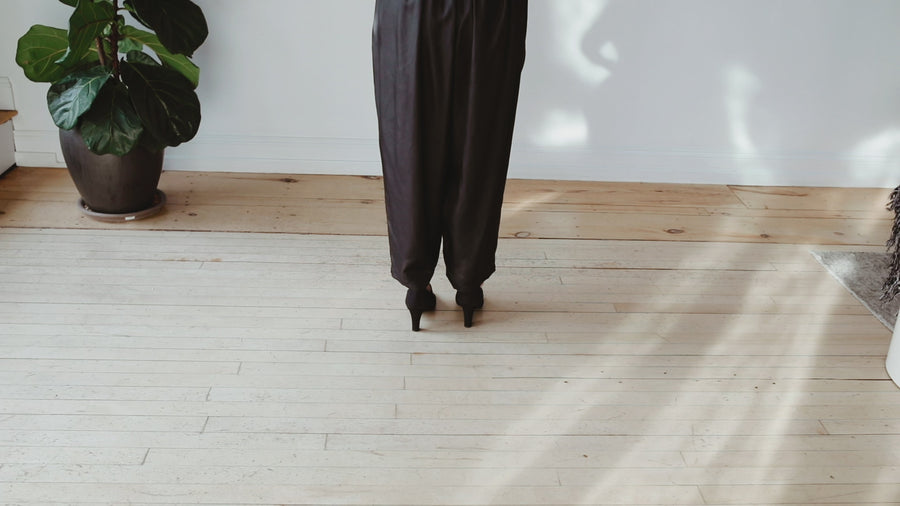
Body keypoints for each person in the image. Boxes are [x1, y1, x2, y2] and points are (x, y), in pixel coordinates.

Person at [372, 0, 528, 331]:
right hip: (491, 12)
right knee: (480, 145)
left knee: (409, 142)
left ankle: (417, 284)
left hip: (411, 11)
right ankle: (469, 281)